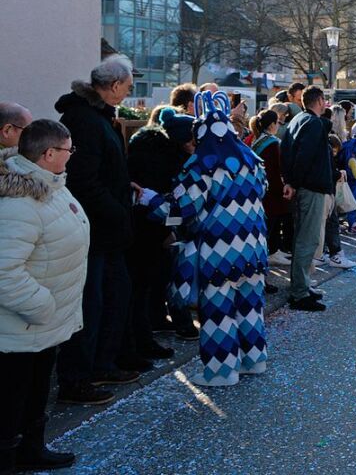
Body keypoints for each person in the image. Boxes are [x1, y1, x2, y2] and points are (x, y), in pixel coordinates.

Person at [142, 91, 269, 387]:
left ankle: (221, 372)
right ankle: (254, 359)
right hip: (253, 249)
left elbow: (183, 208)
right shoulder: (252, 161)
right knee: (251, 307)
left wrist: (149, 200)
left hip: (218, 251)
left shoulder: (202, 165)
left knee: (218, 312)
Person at [0, 120, 88, 471]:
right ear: (49, 154)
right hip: (21, 327)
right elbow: (4, 271)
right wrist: (42, 306)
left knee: (35, 393)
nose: (71, 156)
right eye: (68, 150)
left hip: (42, 326)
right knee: (11, 399)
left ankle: (30, 449)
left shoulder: (50, 184)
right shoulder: (19, 203)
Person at [54, 55, 137, 405]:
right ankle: (77, 378)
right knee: (90, 305)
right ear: (115, 85)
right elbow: (84, 180)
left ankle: (101, 364)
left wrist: (124, 186)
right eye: (128, 88)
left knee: (113, 298)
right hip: (94, 230)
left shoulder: (97, 117)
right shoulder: (86, 120)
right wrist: (117, 210)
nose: (128, 94)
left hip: (105, 230)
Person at [124, 107, 195, 362]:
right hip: (144, 231)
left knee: (147, 285)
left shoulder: (159, 152)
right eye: (191, 139)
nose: (194, 145)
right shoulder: (163, 159)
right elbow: (160, 200)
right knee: (140, 288)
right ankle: (138, 343)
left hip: (147, 229)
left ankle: (145, 335)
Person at [279, 87, 356, 314]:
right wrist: (294, 182)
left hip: (307, 186)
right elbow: (305, 157)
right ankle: (299, 292)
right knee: (308, 240)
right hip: (311, 189)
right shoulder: (312, 123)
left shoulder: (299, 121)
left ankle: (302, 286)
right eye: (325, 101)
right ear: (320, 101)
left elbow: (290, 154)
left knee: (307, 239)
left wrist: (291, 181)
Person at [250, 110, 292, 274]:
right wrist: (280, 188)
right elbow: (274, 170)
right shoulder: (272, 143)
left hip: (261, 187)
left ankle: (274, 250)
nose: (279, 125)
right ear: (272, 124)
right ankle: (272, 251)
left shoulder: (257, 140)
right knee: (272, 223)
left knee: (271, 223)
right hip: (271, 190)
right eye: (278, 122)